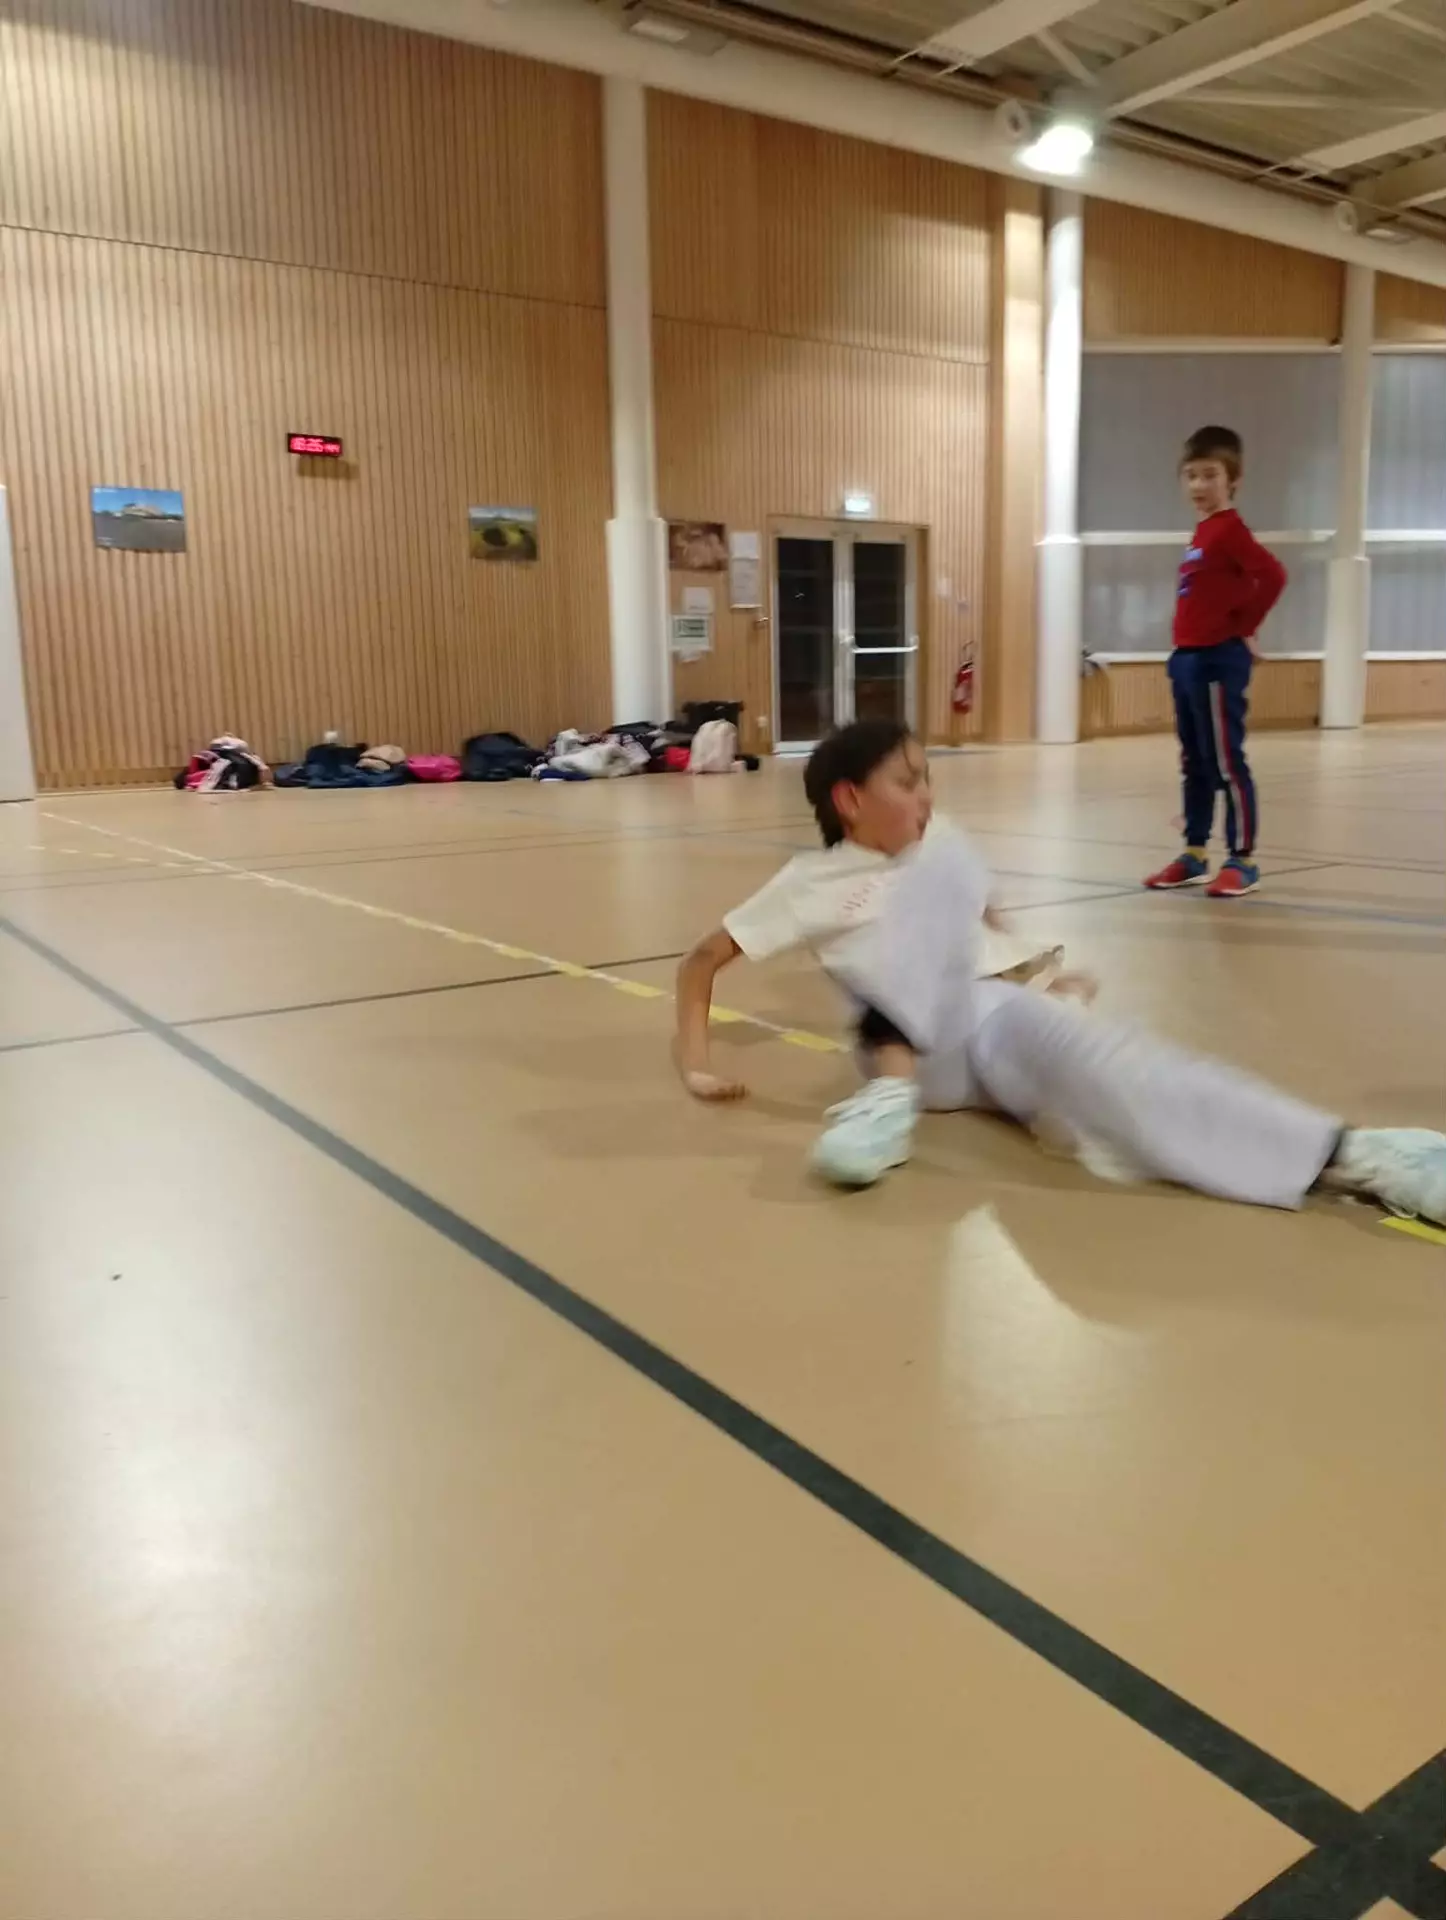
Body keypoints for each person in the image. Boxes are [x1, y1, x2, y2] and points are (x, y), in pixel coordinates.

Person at [673, 719, 1446, 1222]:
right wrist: (698, 1068)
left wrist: (1032, 970)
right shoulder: (811, 883)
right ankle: (886, 1105)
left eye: (928, 778)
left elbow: (983, 917)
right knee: (938, 893)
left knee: (1126, 1075)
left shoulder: (940, 848)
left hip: (989, 1026)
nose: (927, 795)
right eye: (908, 783)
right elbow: (701, 963)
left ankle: (1358, 1156)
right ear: (849, 800)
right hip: (914, 1056)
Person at [1145, 425, 1286, 901]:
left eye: (1210, 475)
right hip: (1186, 659)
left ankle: (1242, 859)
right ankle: (1194, 854)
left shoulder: (1229, 530)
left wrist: (1243, 626)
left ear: (1233, 481)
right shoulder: (1203, 532)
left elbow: (1272, 575)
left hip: (1216, 659)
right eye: (1191, 475)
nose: (1199, 485)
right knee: (1195, 763)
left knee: (1227, 762)